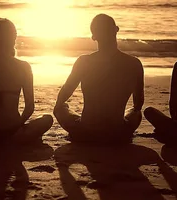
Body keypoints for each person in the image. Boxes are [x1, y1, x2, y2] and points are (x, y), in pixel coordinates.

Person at [53, 14, 144, 145]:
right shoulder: (134, 63)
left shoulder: (84, 61)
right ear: (116, 29)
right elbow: (138, 103)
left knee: (60, 108)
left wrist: (64, 106)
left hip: (86, 132)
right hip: (117, 132)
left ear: (93, 36)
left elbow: (63, 96)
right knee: (136, 113)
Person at [0, 18, 53, 145]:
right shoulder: (24, 67)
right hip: (12, 132)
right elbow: (30, 107)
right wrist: (17, 125)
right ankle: (16, 138)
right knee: (47, 119)